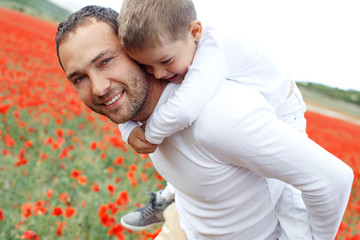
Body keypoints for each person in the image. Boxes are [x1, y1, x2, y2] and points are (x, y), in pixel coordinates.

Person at [55, 5, 353, 240]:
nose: (98, 87)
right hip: (185, 223)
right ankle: (166, 201)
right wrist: (129, 130)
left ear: (134, 50)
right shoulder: (137, 107)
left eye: (105, 61)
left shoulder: (219, 115)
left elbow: (334, 180)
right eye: (79, 78)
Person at [117, 0, 308, 237]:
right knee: (189, 142)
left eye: (165, 61)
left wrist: (146, 135)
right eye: (147, 66)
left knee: (293, 193)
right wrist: (126, 128)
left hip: (283, 112)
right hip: (247, 102)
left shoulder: (214, 49)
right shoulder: (181, 46)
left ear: (195, 31)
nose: (158, 74)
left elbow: (185, 109)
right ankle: (168, 198)